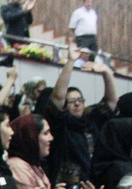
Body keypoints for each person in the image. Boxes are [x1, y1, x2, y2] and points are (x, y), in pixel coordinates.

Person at [45, 47, 117, 180]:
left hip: (95, 182)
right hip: (69, 187)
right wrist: (71, 61)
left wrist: (107, 72)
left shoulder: (91, 121)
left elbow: (111, 102)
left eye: (80, 100)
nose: (77, 104)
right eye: (71, 101)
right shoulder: (61, 124)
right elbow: (57, 97)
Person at [6, 113, 53, 189]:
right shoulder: (17, 166)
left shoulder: (33, 163)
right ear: (31, 137)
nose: (51, 138)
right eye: (46, 133)